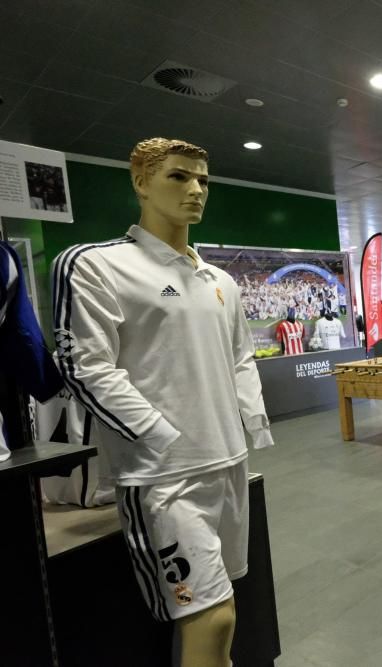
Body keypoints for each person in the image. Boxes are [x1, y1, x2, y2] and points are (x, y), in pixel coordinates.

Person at [52, 138, 274, 667]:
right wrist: (157, 433)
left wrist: (254, 424)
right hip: (163, 478)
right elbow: (84, 364)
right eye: (178, 176)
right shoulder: (96, 265)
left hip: (228, 464)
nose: (195, 189)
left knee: (217, 609)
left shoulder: (220, 280)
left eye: (202, 179)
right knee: (212, 615)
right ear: (140, 182)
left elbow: (241, 357)